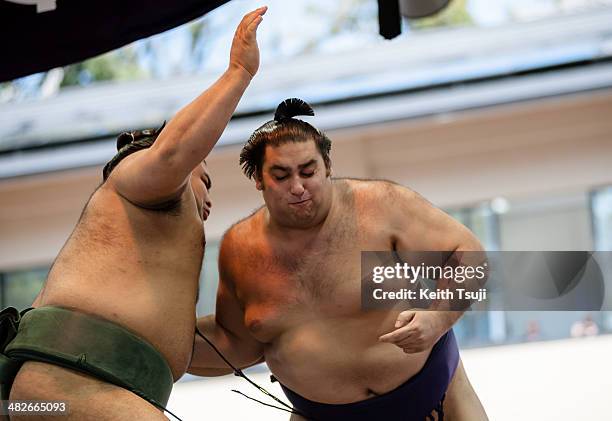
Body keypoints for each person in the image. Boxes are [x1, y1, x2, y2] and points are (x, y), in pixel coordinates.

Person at [0, 7, 266, 420]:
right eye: (205, 180)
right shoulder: (135, 177)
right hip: (74, 382)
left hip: (73, 390)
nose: (209, 198)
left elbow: (216, 348)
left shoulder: (144, 262)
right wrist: (238, 73)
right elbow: (173, 153)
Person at [189, 98, 488, 420]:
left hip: (436, 401)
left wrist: (438, 318)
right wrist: (155, 342)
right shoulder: (239, 249)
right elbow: (237, 343)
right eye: (281, 175)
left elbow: (469, 255)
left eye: (308, 171)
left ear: (327, 167)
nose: (298, 187)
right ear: (259, 180)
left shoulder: (381, 205)